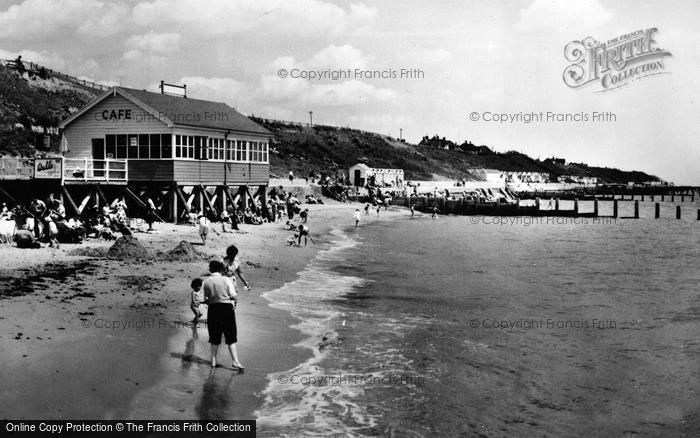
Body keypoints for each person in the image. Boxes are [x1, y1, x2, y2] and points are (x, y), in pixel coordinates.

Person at [202, 260, 243, 370]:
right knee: (231, 336)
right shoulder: (226, 279)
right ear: (220, 269)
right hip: (226, 308)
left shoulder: (206, 281)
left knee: (214, 336)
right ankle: (235, 361)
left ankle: (214, 361)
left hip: (213, 309)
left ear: (211, 270)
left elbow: (205, 299)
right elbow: (234, 296)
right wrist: (233, 302)